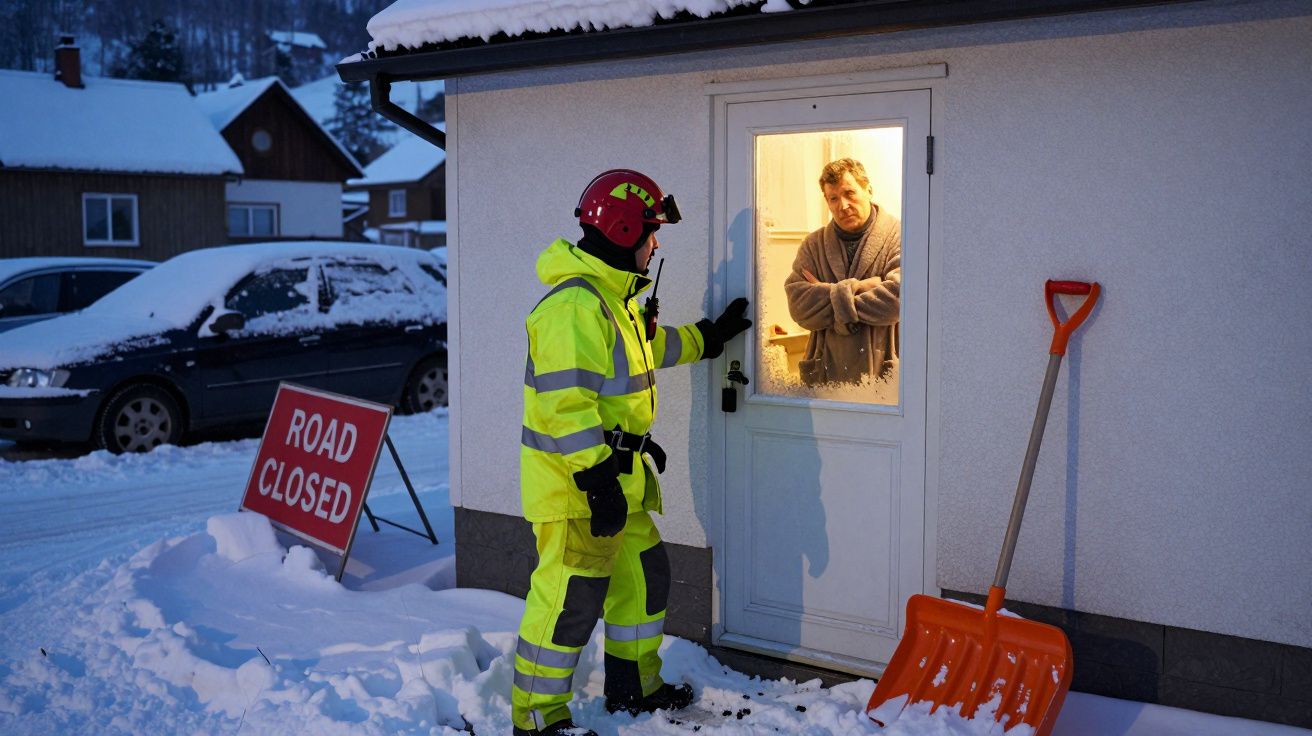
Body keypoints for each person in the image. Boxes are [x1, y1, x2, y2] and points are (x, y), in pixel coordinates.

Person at [512, 169, 751, 736]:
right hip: (578, 489)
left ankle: (632, 687)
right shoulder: (574, 307)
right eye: (651, 231)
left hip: (617, 483)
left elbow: (645, 351)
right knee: (568, 602)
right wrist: (595, 482)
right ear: (622, 231)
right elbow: (563, 408)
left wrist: (707, 337)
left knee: (644, 575)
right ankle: (538, 719)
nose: (656, 243)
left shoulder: (611, 301)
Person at [784, 157, 901, 386]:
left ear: (868, 189)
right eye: (833, 198)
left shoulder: (899, 235)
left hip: (881, 374)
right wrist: (861, 287)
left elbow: (898, 300)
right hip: (826, 373)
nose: (843, 205)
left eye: (850, 193)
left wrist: (826, 293)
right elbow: (799, 307)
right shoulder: (813, 244)